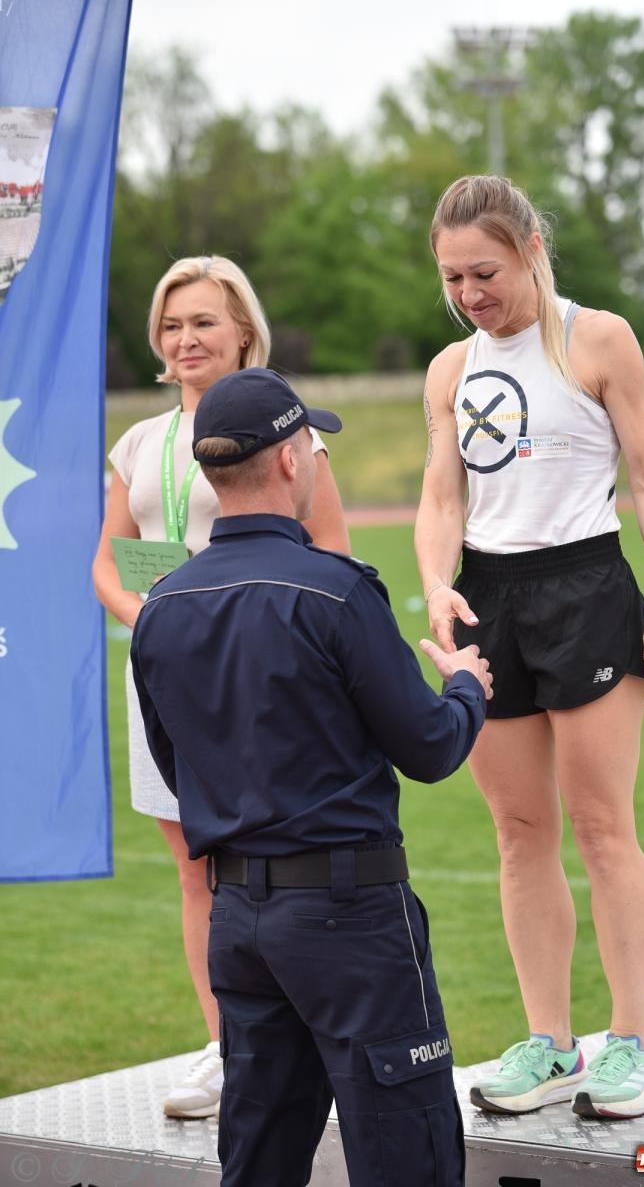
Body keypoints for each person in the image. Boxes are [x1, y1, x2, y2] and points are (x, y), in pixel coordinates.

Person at [130, 367, 493, 1187]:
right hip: (349, 918)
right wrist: (466, 686)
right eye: (314, 446)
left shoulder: (162, 607)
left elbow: (175, 767)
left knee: (257, 1155)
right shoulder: (334, 592)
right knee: (408, 1154)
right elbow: (431, 747)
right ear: (291, 460)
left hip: (238, 921)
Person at [415, 174, 644, 1121]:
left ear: (530, 245)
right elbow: (441, 496)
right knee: (518, 833)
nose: (468, 295)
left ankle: (631, 1043)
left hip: (586, 590)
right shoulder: (449, 370)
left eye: (482, 272)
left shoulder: (597, 338)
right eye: (452, 278)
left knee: (603, 827)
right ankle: (550, 1042)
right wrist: (438, 584)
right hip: (490, 600)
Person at [92, 256, 350, 1118]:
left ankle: (308, 1036)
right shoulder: (138, 442)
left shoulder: (287, 429)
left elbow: (333, 558)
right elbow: (106, 562)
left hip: (262, 682)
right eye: (171, 325)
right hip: (168, 680)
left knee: (277, 866)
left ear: (242, 329)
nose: (185, 339)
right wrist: (156, 623)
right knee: (193, 870)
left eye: (202, 321)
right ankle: (227, 1047)